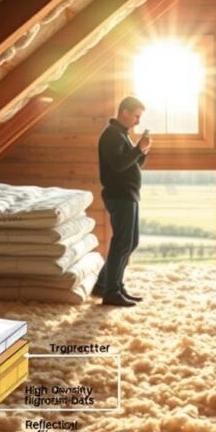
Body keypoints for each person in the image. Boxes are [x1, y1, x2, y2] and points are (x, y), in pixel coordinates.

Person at [92, 96, 153, 307]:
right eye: (136, 116)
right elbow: (118, 165)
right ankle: (111, 291)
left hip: (128, 195)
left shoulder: (121, 134)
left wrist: (141, 151)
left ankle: (105, 284)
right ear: (125, 112)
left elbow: (131, 165)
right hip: (120, 195)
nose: (137, 121)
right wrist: (137, 150)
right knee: (122, 243)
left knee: (130, 242)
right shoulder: (111, 135)